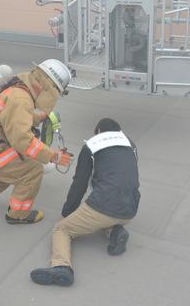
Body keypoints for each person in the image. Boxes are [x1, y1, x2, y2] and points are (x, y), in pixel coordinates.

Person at [0, 59, 74, 224]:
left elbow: (9, 115)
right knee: (31, 171)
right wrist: (53, 156)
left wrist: (36, 118)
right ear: (50, 87)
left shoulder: (19, 85)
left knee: (8, 173)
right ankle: (18, 215)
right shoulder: (22, 99)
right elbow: (22, 141)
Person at [30, 118, 140, 286]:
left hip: (103, 206)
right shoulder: (130, 144)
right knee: (106, 216)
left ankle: (61, 267)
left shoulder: (92, 145)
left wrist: (68, 211)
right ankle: (115, 231)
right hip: (130, 208)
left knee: (62, 230)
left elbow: (80, 183)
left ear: (97, 131)